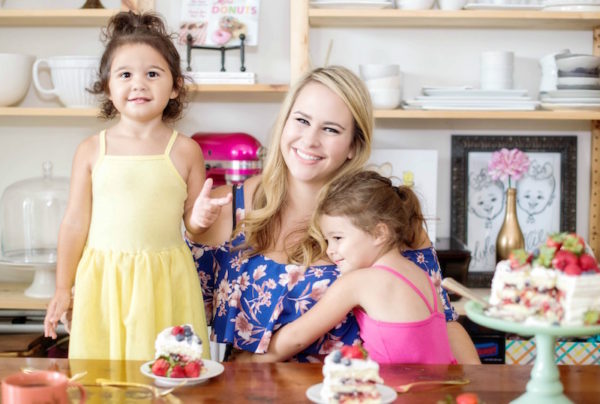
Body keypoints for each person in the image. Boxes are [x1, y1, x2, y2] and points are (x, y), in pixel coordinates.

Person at [188, 65, 480, 363]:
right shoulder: (223, 207)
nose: (310, 140)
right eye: (301, 120)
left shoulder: (384, 213)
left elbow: (441, 322)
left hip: (360, 392)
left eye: (330, 129)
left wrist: (479, 388)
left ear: (354, 145)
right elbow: (180, 315)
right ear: (285, 122)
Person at [43, 11, 210, 361]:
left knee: (168, 375)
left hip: (165, 281)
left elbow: (194, 228)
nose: (139, 84)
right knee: (102, 376)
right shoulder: (91, 150)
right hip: (102, 281)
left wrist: (202, 217)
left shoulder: (185, 150)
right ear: (108, 87)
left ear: (175, 85)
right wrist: (62, 287)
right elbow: (74, 223)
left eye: (152, 74)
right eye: (125, 75)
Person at [246, 170, 458, 363]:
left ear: (379, 233)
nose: (330, 250)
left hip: (397, 394)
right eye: (328, 240)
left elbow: (296, 339)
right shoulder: (421, 275)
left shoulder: (359, 281)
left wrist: (248, 364)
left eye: (338, 238)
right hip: (440, 391)